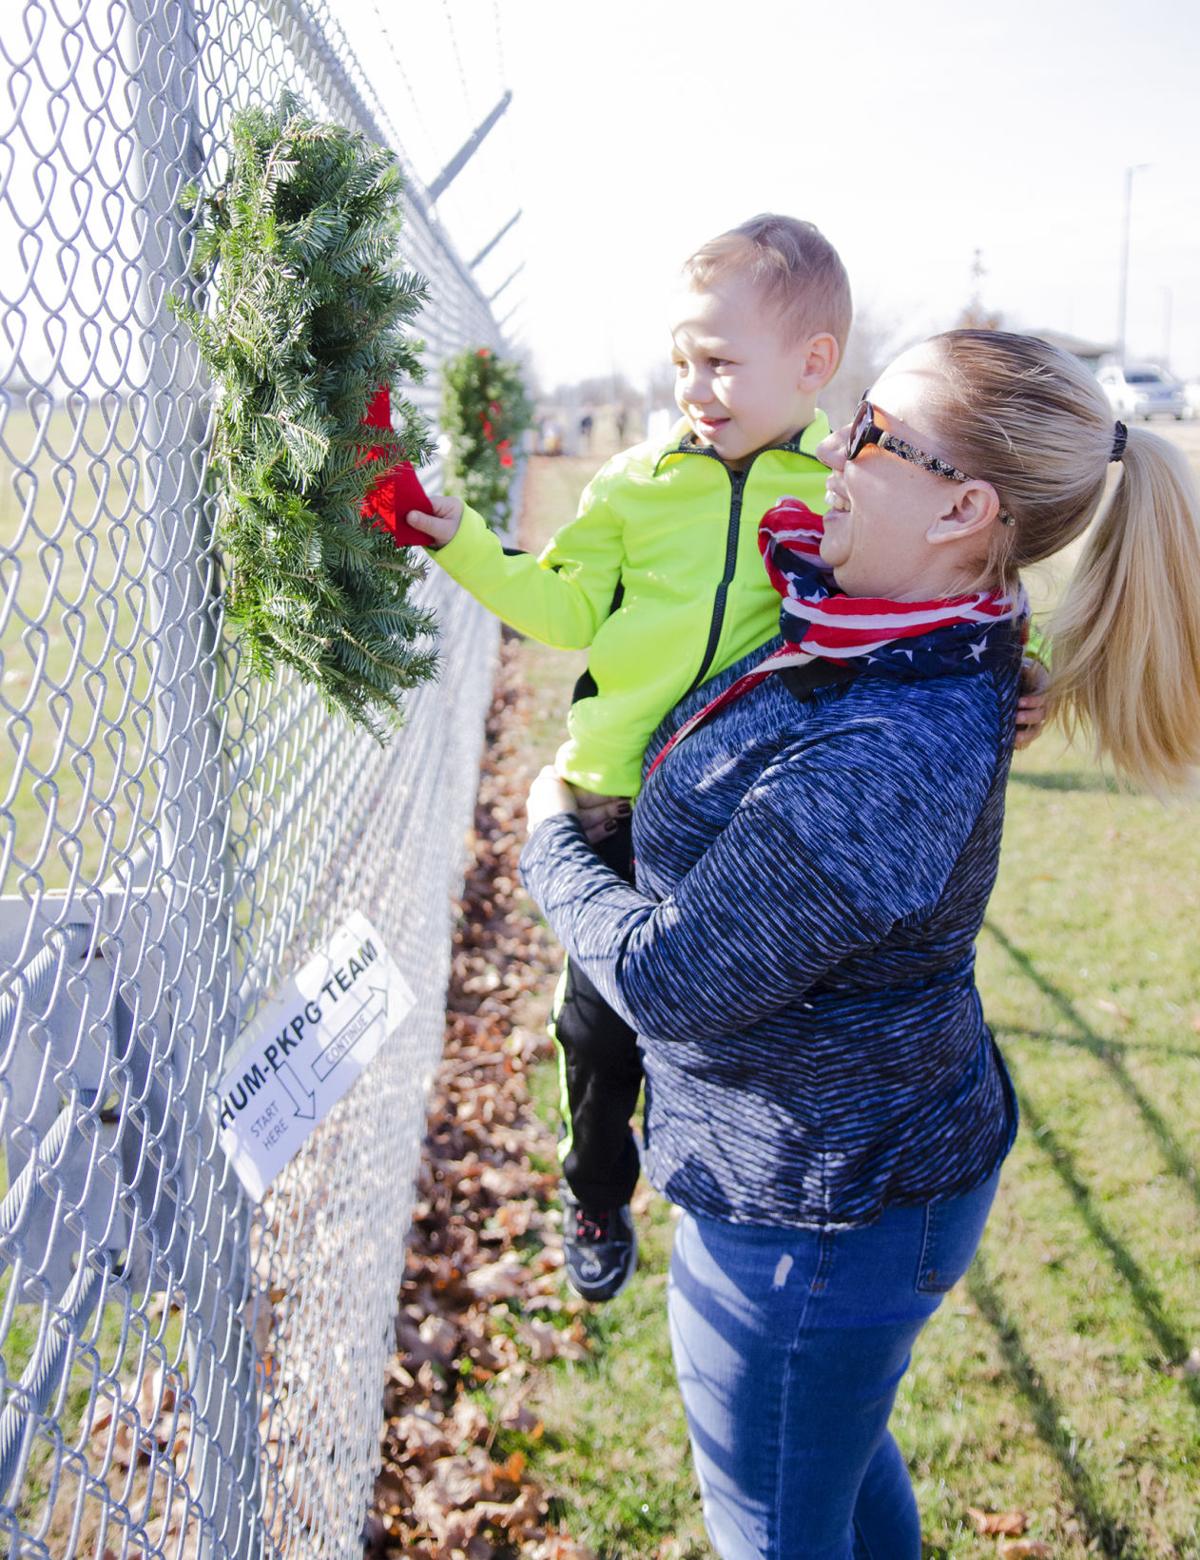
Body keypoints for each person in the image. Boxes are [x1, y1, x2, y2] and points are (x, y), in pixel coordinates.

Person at [518, 328, 1200, 1559]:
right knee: (821, 1467)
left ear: (965, 506)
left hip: (820, 1214)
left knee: (777, 1523)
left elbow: (676, 981)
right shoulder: (912, 617)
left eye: (873, 434)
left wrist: (548, 843)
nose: (833, 445)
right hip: (849, 1170)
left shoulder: (896, 739)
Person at [407, 220, 1046, 1302]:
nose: (693, 386)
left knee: (719, 1011)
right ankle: (597, 1188)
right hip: (614, 802)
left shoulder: (840, 496)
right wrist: (461, 537)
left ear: (812, 364)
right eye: (681, 362)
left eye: (719, 361)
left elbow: (919, 607)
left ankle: (725, 1183)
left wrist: (1021, 669)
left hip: (740, 814)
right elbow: (562, 606)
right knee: (597, 1031)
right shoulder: (635, 485)